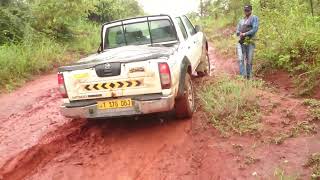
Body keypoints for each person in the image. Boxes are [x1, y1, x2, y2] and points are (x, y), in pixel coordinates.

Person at [236, 5, 259, 79]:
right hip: (241, 42)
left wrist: (245, 34)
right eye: (245, 10)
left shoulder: (254, 18)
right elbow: (237, 30)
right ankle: (243, 77)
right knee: (240, 59)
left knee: (249, 60)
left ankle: (249, 77)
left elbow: (255, 29)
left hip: (250, 42)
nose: (246, 12)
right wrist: (238, 33)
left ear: (251, 10)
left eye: (248, 10)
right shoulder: (241, 20)